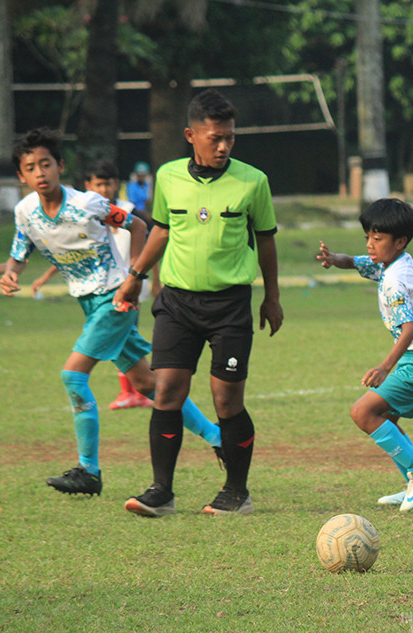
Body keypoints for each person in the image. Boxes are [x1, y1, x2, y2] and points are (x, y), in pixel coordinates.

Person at [0, 127, 220, 497]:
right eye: (31, 167)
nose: (40, 173)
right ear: (21, 176)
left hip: (115, 300)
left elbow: (137, 225)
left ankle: (89, 471)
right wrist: (11, 273)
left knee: (73, 376)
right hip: (89, 303)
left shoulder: (88, 203)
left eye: (46, 164)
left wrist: (134, 276)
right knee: (148, 384)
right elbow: (20, 252)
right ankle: (217, 437)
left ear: (60, 166)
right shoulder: (25, 213)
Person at [114, 89, 283, 518]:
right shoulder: (168, 177)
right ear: (191, 135)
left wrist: (272, 297)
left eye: (229, 137)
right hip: (176, 301)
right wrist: (134, 278)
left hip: (229, 305)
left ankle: (236, 491)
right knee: (167, 390)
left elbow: (265, 241)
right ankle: (161, 492)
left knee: (226, 400)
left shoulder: (254, 181)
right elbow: (160, 231)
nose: (223, 146)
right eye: (214, 138)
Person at [315, 198, 413, 511]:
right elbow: (355, 261)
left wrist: (385, 367)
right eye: (368, 238)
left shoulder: (395, 281)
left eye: (378, 239)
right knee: (384, 418)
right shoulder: (395, 261)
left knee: (363, 413)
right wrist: (334, 259)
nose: (370, 245)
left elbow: (410, 329)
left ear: (399, 241)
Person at [31, 160, 155, 409]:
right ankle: (136, 391)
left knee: (75, 373)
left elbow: (152, 240)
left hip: (127, 285)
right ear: (88, 185)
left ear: (116, 185)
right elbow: (73, 252)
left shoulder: (130, 212)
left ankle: (131, 393)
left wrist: (140, 276)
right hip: (99, 293)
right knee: (130, 351)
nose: (104, 189)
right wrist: (44, 276)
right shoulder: (86, 214)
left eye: (108, 184)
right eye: (98, 184)